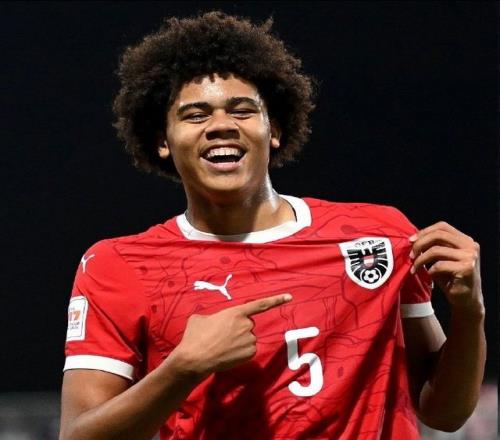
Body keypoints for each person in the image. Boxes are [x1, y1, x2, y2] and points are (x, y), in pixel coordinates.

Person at [59, 11, 486, 440]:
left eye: (242, 110)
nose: (221, 126)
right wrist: (183, 368)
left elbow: (444, 413)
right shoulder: (119, 266)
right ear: (163, 142)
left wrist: (469, 313)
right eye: (195, 115)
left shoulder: (378, 234)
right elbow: (79, 435)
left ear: (274, 129)